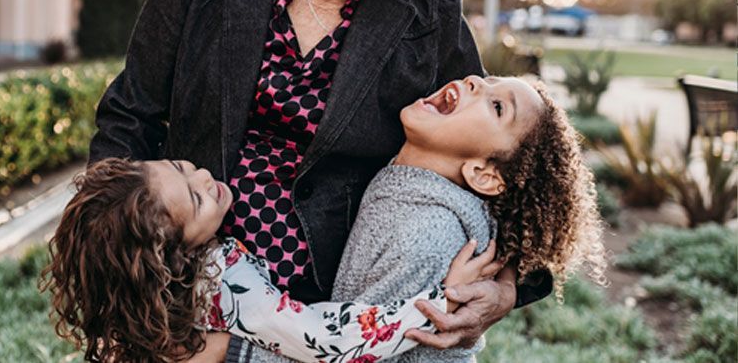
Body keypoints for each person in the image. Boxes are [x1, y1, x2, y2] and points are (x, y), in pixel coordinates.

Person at [88, 0, 550, 358]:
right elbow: (131, 115)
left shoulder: (432, 21)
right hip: (179, 291)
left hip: (330, 318)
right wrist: (109, 254)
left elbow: (518, 166)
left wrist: (507, 287)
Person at [48, 76, 606, 362]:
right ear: (166, 250)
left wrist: (481, 292)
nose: (201, 175)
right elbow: (323, 339)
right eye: (192, 196)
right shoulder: (221, 281)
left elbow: (330, 341)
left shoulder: (426, 222)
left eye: (180, 164)